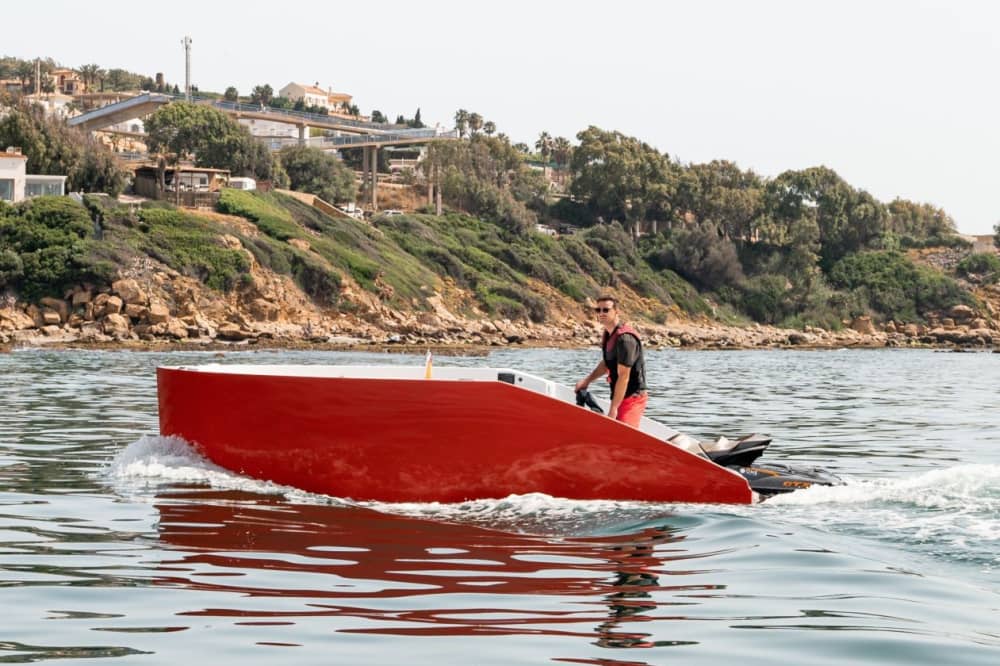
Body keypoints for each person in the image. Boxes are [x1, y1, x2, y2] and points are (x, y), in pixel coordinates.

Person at [574, 295, 648, 427]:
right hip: (620, 396)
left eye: (606, 310)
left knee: (623, 437)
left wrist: (613, 408)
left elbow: (624, 376)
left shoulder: (625, 339)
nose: (601, 313)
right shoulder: (609, 334)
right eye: (598, 310)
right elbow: (606, 364)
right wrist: (587, 381)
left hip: (632, 398)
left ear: (616, 311)